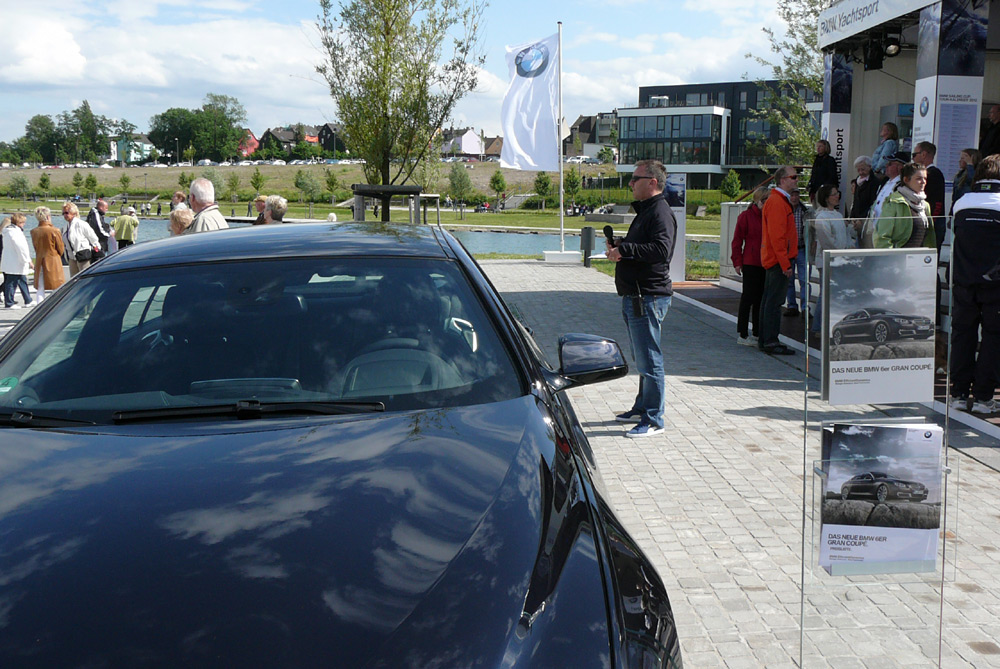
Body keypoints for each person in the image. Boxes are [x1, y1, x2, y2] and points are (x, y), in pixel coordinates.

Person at [606, 160, 677, 438]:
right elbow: (644, 245)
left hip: (647, 296)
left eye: (635, 179)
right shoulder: (647, 211)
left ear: (653, 182)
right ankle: (642, 407)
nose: (630, 183)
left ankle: (654, 419)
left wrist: (626, 250)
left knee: (650, 359)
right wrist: (622, 245)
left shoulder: (660, 211)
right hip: (636, 295)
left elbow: (661, 249)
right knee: (642, 357)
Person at [950, 154, 1000, 414]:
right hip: (996, 284)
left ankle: (958, 393)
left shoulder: (962, 202)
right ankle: (983, 398)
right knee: (993, 338)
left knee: (962, 335)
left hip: (964, 280)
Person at [758, 165, 799, 355]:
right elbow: (777, 237)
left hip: (776, 259)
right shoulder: (777, 202)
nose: (796, 180)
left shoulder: (779, 201)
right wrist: (785, 263)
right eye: (793, 177)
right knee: (774, 303)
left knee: (770, 301)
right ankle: (770, 341)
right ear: (783, 179)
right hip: (777, 261)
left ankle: (766, 339)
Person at [810, 184, 851, 333]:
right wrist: (838, 254)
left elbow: (845, 236)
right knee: (825, 293)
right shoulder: (821, 217)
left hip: (839, 259)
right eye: (834, 194)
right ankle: (817, 327)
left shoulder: (838, 215)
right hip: (827, 260)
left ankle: (829, 326)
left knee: (833, 293)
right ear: (826, 198)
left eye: (837, 193)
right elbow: (826, 240)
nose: (837, 196)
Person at [731, 186, 768, 346]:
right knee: (748, 298)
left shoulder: (769, 216)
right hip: (751, 262)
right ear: (759, 201)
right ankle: (743, 333)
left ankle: (758, 333)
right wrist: (737, 261)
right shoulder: (746, 217)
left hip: (766, 262)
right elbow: (737, 241)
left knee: (760, 299)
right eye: (766, 200)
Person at [874, 162, 936, 249]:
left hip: (919, 258)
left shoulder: (925, 205)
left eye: (925, 178)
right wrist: (890, 258)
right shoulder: (894, 202)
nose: (923, 182)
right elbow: (882, 237)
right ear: (906, 180)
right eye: (919, 178)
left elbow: (929, 238)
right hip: (898, 259)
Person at [863, 152, 908, 247]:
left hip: (888, 233)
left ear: (900, 167)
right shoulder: (885, 181)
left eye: (890, 164)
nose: (886, 165)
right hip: (876, 229)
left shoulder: (901, 185)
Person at [913, 141, 946, 250]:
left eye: (914, 155)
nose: (913, 158)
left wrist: (931, 222)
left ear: (923, 154)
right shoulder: (927, 173)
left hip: (931, 224)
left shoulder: (933, 174)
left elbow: (937, 202)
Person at [30, 206, 66, 303]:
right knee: (57, 285)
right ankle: (56, 306)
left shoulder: (34, 231)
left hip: (39, 259)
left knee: (40, 287)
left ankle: (39, 307)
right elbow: (60, 248)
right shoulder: (55, 230)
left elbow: (35, 247)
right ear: (48, 216)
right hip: (53, 259)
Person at [783, 189, 809, 317]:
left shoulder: (804, 211)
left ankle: (805, 307)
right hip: (789, 250)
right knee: (789, 279)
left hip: (802, 248)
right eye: (792, 195)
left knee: (805, 279)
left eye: (796, 195)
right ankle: (792, 305)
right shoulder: (784, 211)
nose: (794, 198)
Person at [1, 213, 33, 309]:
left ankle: (28, 300)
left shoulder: (7, 231)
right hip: (16, 261)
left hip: (10, 260)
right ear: (19, 222)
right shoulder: (15, 233)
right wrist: (27, 260)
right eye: (23, 222)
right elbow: (21, 247)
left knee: (22, 280)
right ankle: (9, 302)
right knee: (11, 282)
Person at [63, 202, 101, 276]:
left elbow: (93, 239)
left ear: (73, 212)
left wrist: (97, 252)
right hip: (72, 257)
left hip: (83, 256)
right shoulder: (66, 227)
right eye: (63, 213)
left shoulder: (82, 224)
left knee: (85, 278)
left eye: (67, 213)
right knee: (74, 280)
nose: (65, 215)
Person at [849, 155, 882, 220]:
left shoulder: (874, 182)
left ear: (869, 167)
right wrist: (852, 217)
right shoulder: (857, 181)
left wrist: (862, 219)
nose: (861, 172)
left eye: (863, 169)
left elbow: (873, 203)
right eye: (858, 170)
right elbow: (855, 201)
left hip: (866, 218)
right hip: (856, 217)